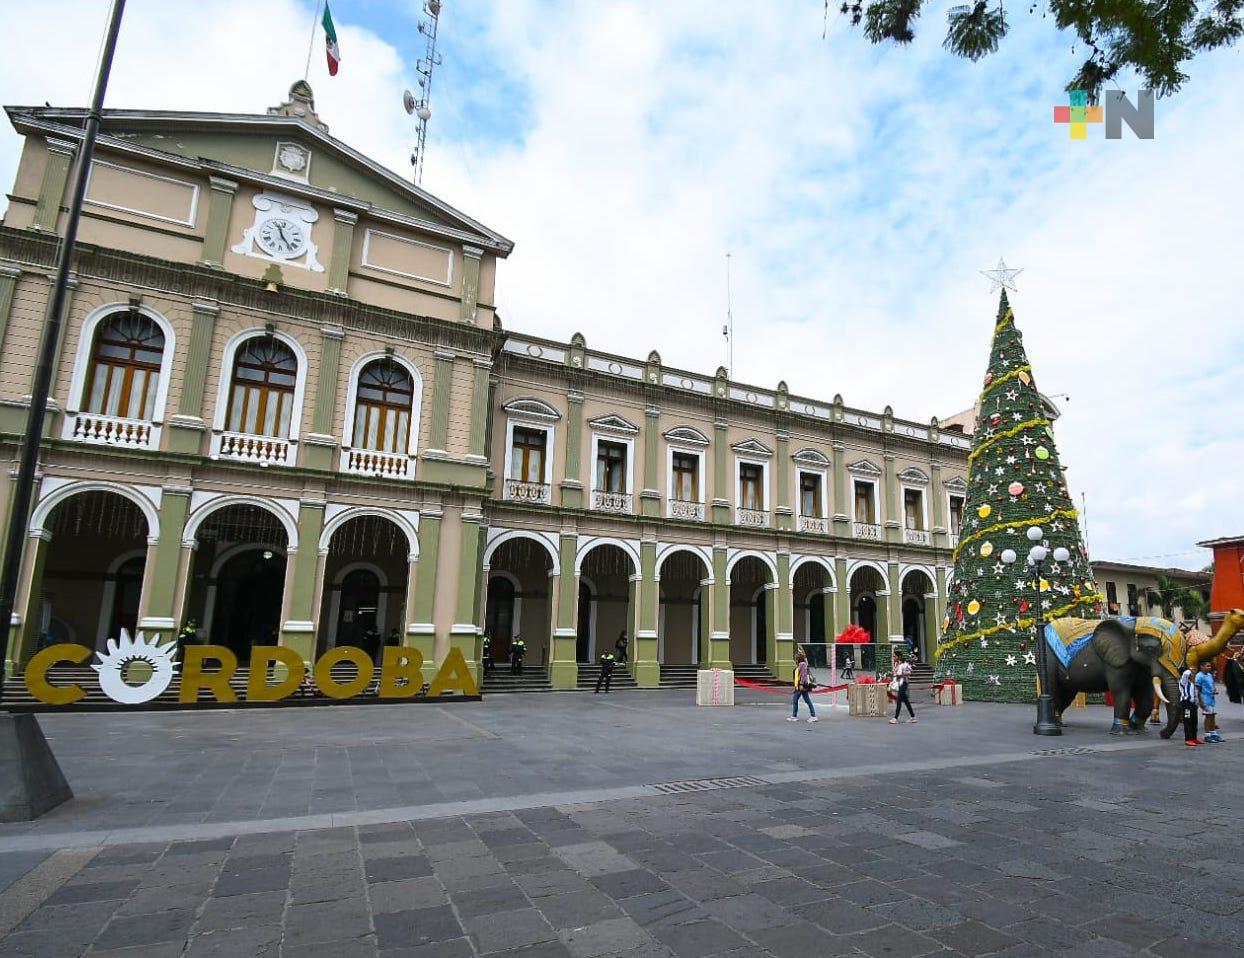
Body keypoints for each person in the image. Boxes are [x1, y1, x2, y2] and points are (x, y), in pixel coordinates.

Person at [788, 651, 818, 723]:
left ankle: (795, 716)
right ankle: (812, 715)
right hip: (800, 686)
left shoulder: (802, 664)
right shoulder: (802, 664)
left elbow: (803, 675)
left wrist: (801, 685)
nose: (795, 659)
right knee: (806, 700)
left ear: (798, 658)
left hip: (802, 686)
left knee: (796, 700)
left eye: (796, 658)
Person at [1196, 660, 1222, 743]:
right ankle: (1207, 735)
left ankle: (1213, 733)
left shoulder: (1209, 675)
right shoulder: (1199, 676)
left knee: (1212, 716)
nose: (1209, 668)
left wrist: (1214, 690)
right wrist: (1200, 701)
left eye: (1210, 666)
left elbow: (1212, 685)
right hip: (1205, 699)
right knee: (1208, 717)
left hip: (1211, 699)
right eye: (1207, 666)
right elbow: (1197, 689)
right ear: (1201, 667)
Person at [889, 650, 916, 724]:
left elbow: (910, 671)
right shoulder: (895, 664)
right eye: (893, 656)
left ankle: (895, 718)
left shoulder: (904, 664)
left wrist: (902, 675)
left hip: (903, 683)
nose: (893, 657)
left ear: (899, 657)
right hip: (898, 683)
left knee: (899, 700)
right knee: (906, 701)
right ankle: (913, 717)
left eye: (895, 656)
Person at [1179, 665, 1201, 746]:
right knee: (1187, 720)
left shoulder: (1194, 683)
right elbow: (1185, 674)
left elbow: (1196, 694)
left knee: (1194, 720)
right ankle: (1188, 739)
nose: (1193, 674)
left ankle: (1194, 738)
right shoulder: (1183, 682)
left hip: (1193, 704)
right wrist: (1190, 669)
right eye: (1191, 673)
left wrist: (1197, 702)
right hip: (1186, 704)